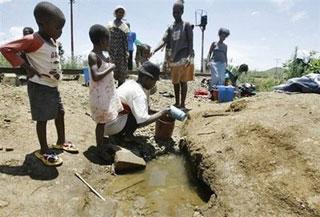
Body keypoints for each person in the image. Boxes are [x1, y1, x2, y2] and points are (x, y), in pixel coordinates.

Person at [0, 1, 78, 166]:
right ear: (42, 24)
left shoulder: (52, 40)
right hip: (39, 86)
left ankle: (60, 141)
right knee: (42, 119)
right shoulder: (33, 39)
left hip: (53, 86)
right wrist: (26, 67)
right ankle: (43, 150)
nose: (61, 32)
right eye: (58, 28)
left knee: (60, 113)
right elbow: (6, 48)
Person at [104, 61, 170, 141]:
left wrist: (157, 112)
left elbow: (146, 110)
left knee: (138, 110)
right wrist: (162, 113)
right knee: (138, 114)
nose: (154, 84)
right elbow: (143, 121)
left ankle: (122, 133)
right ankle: (126, 136)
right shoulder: (139, 94)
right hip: (111, 127)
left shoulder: (130, 83)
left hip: (104, 123)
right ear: (146, 79)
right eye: (154, 81)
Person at [151, 0, 194, 110]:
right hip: (174, 58)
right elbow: (163, 39)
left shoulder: (187, 25)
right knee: (175, 82)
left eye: (177, 12)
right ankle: (177, 102)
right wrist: (154, 49)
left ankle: (183, 104)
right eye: (173, 12)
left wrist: (190, 56)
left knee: (183, 81)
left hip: (184, 57)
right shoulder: (171, 27)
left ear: (182, 12)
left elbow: (190, 42)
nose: (175, 14)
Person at [87, 24, 123, 156]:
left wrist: (108, 63)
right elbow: (96, 76)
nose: (109, 43)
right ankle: (99, 148)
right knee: (101, 123)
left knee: (104, 120)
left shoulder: (102, 55)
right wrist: (111, 67)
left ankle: (102, 142)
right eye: (108, 40)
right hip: (99, 96)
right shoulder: (93, 56)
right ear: (102, 40)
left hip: (106, 94)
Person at [107, 5, 129, 86]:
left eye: (122, 13)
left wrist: (126, 52)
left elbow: (126, 41)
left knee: (121, 71)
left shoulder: (125, 26)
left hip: (121, 51)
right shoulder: (109, 24)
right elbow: (106, 37)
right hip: (111, 50)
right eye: (119, 12)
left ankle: (120, 90)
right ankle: (110, 89)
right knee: (110, 69)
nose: (121, 14)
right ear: (115, 13)